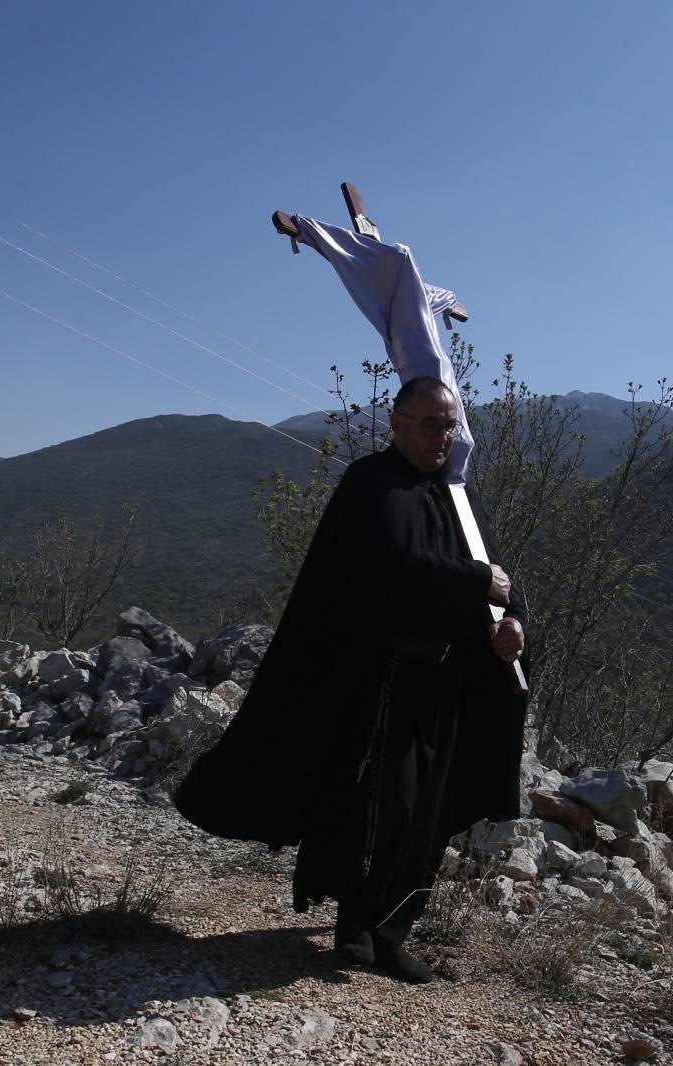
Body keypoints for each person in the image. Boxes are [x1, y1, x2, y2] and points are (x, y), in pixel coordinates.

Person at [174, 377, 528, 984]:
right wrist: (477, 583)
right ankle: (357, 925)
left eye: (448, 427)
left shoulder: (456, 497)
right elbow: (392, 564)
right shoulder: (372, 483)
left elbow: (501, 580)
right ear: (396, 422)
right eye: (427, 424)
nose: (439, 437)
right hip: (387, 676)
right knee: (389, 805)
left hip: (452, 681)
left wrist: (516, 623)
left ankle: (392, 930)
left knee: (429, 815)